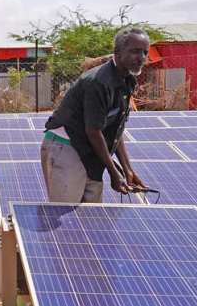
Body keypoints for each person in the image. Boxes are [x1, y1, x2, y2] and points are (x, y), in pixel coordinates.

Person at [41, 27, 149, 203]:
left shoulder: (127, 81)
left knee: (90, 218)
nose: (142, 57)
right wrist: (114, 173)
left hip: (91, 151)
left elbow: (115, 129)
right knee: (64, 216)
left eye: (145, 52)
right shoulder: (98, 82)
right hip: (67, 147)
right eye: (135, 51)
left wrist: (127, 169)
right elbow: (93, 130)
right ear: (118, 52)